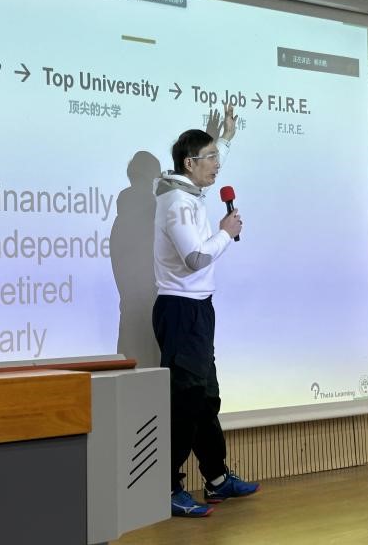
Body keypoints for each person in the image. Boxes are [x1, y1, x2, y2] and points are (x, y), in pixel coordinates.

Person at [152, 103, 260, 518]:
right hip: (180, 312)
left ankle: (216, 478)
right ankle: (167, 488)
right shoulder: (176, 203)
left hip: (199, 309)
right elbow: (196, 258)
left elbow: (213, 158)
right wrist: (225, 233)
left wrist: (226, 135)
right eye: (210, 158)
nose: (217, 165)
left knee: (206, 398)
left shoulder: (190, 190)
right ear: (189, 163)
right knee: (185, 401)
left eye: (217, 156)